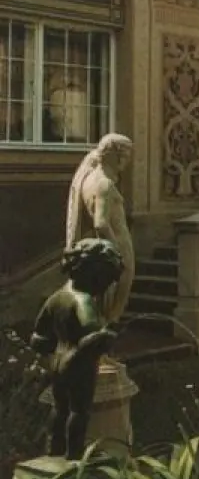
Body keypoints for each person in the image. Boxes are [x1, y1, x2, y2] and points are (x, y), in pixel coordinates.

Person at [30, 237, 124, 460]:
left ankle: (54, 449)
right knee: (79, 410)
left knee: (59, 407)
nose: (105, 287)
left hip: (57, 362)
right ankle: (74, 455)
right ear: (94, 274)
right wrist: (108, 335)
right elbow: (92, 337)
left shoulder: (56, 298)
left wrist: (53, 349)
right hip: (79, 364)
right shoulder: (84, 302)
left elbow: (37, 337)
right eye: (105, 280)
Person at [65, 134, 135, 326]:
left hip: (107, 248)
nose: (126, 162)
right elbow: (101, 223)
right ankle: (107, 335)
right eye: (126, 156)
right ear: (116, 156)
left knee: (102, 304)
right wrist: (116, 251)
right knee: (112, 309)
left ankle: (103, 336)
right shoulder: (104, 184)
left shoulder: (90, 178)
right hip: (116, 248)